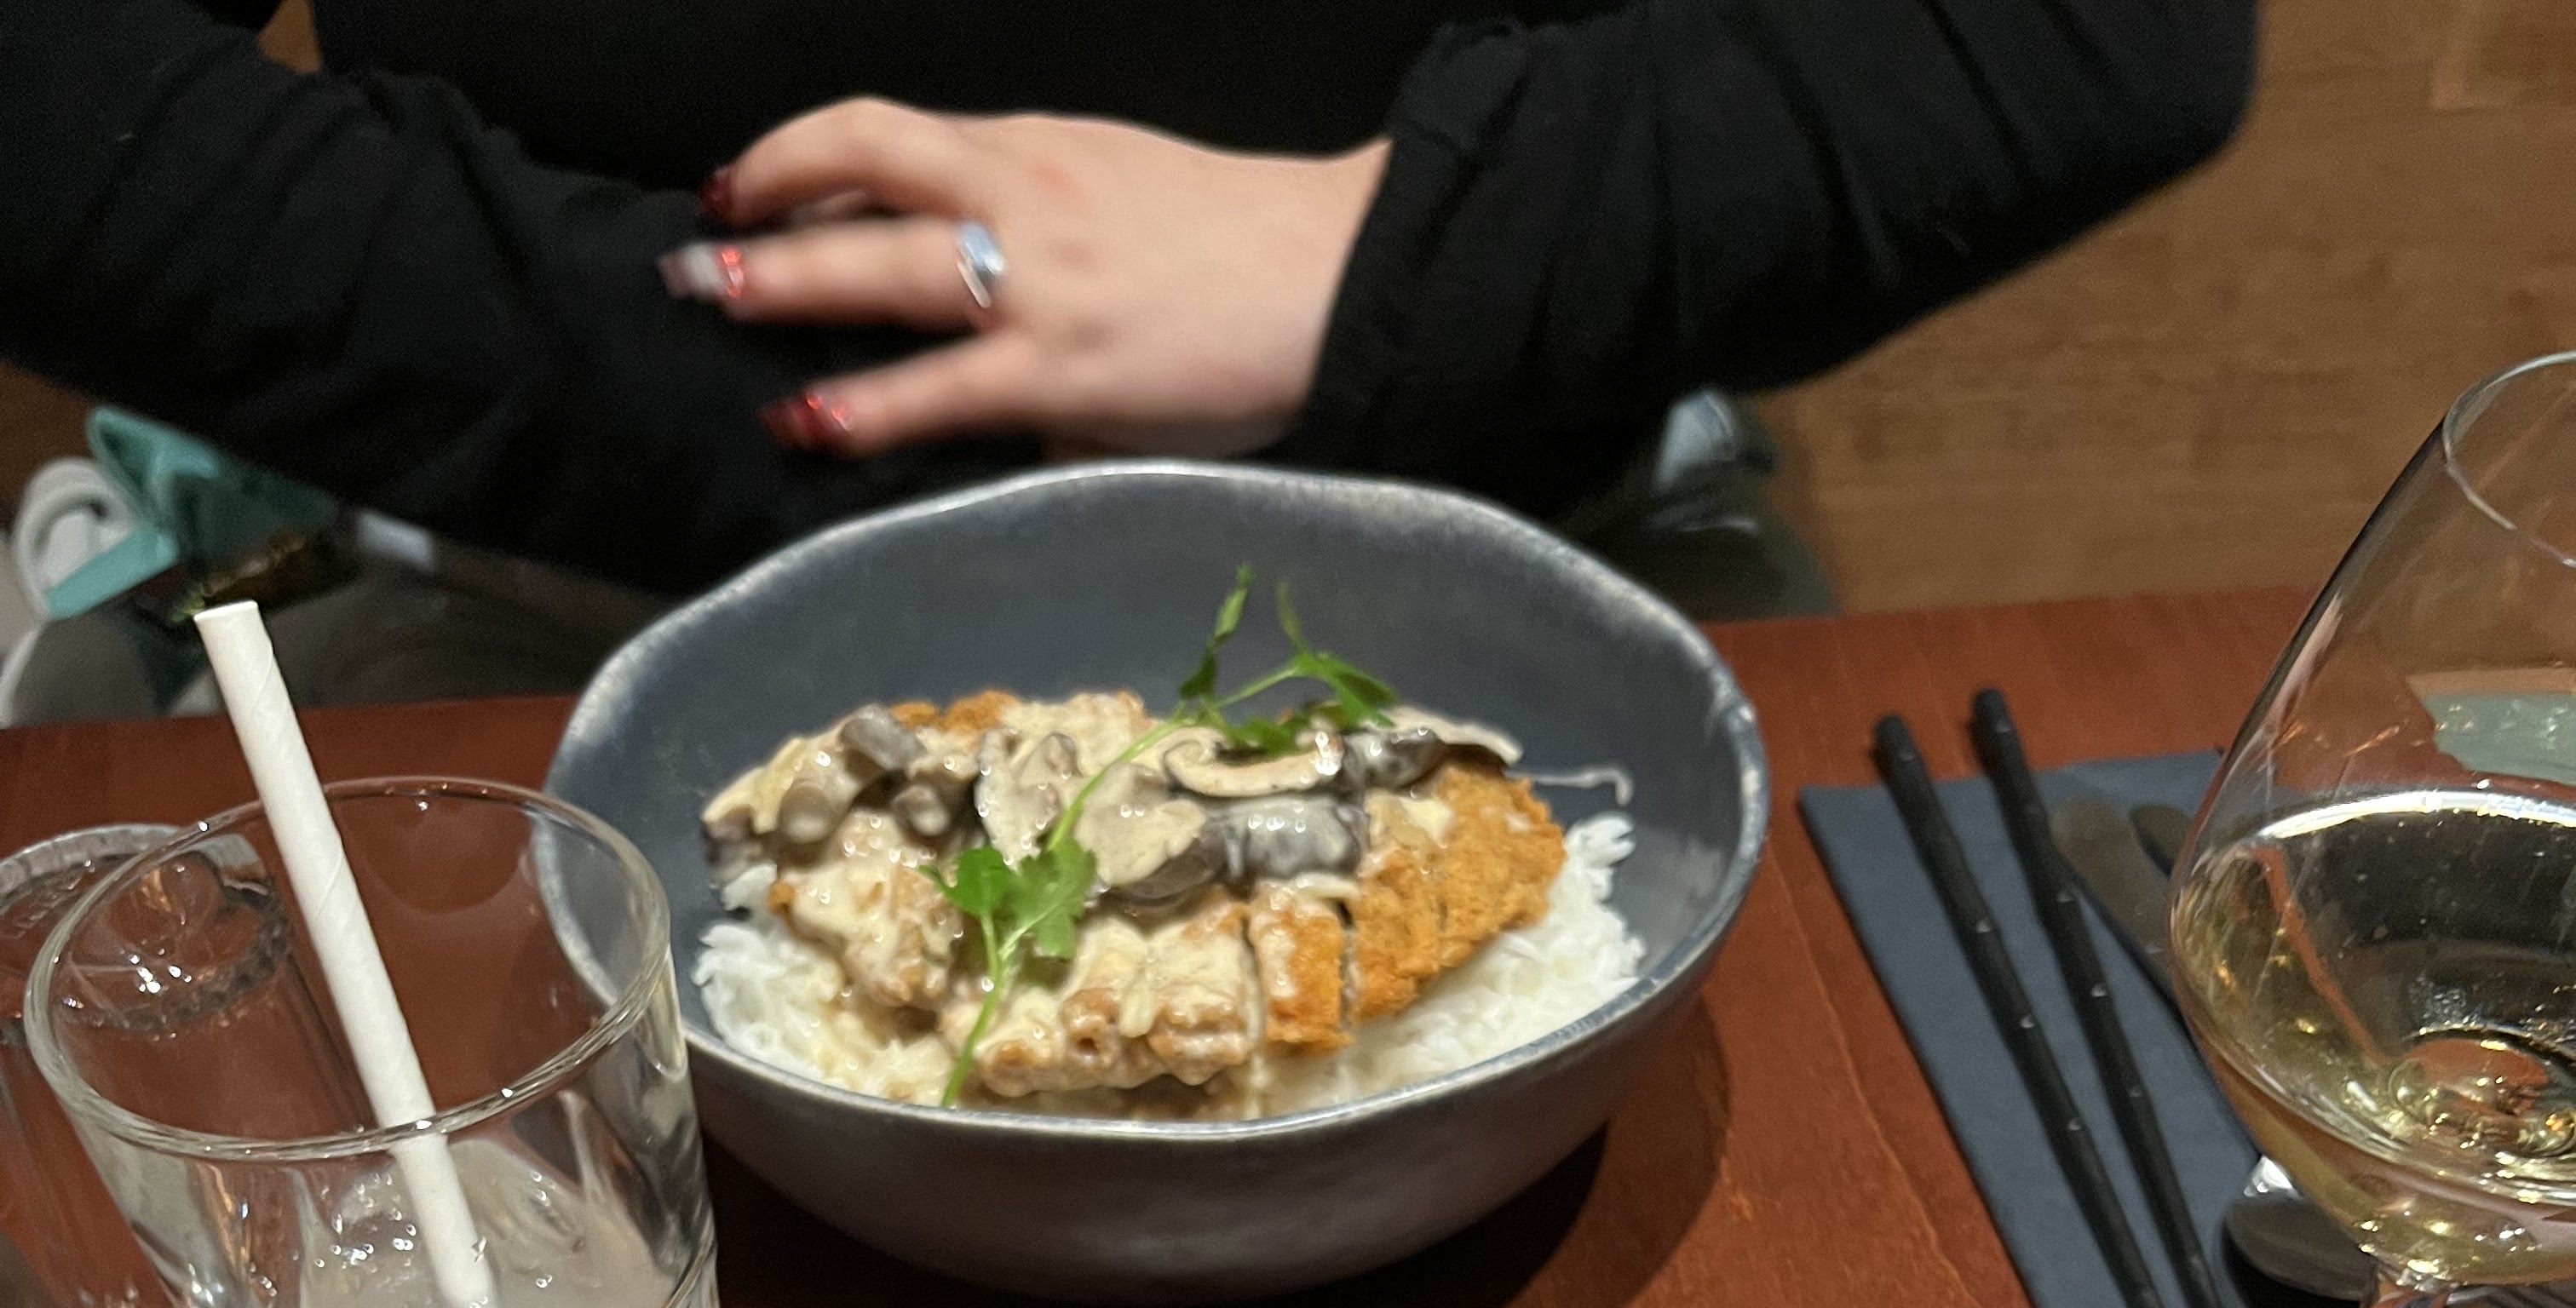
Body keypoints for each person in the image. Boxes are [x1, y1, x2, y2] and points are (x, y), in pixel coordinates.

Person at [0, 2, 2258, 601]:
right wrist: (724, 380)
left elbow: (2097, 31)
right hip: (540, 590)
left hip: (1504, 553)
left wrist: (1389, 259)